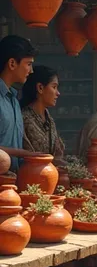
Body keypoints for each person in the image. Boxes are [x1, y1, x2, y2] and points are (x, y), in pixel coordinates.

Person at [0, 34, 46, 170]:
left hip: (13, 181)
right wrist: (25, 154)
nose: (31, 71)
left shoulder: (13, 100)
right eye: (28, 64)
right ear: (12, 63)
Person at [20, 65, 64, 160]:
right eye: (54, 87)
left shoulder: (49, 120)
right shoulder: (24, 118)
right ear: (40, 88)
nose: (58, 93)